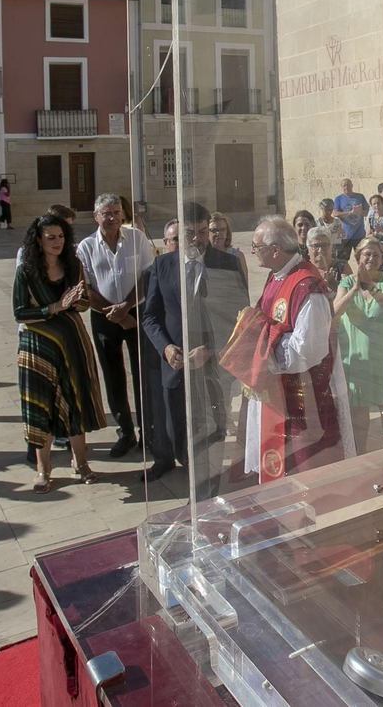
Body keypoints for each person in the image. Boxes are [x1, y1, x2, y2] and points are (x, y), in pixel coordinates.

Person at [229, 216, 354, 482]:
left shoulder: (308, 286)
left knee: (306, 476)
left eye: (256, 246)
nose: (252, 252)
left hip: (303, 399)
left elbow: (306, 350)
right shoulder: (277, 276)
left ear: (275, 250)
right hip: (279, 395)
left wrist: (259, 336)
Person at [140, 205, 247, 490]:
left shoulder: (226, 263)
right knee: (180, 433)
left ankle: (205, 492)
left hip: (212, 368)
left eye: (202, 232)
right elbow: (150, 316)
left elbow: (239, 317)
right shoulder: (162, 266)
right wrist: (165, 348)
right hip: (175, 367)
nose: (198, 239)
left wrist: (210, 351)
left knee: (211, 433)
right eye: (190, 233)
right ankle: (192, 477)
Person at [14, 214, 106, 492]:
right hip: (37, 347)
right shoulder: (26, 271)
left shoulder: (73, 264)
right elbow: (20, 313)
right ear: (38, 240)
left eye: (61, 236)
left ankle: (81, 462)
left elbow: (83, 304)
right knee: (39, 406)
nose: (57, 242)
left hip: (72, 343)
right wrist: (54, 307)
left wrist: (77, 301)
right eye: (50, 237)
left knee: (75, 400)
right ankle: (44, 469)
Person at [77, 193, 154, 458]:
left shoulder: (137, 239)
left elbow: (148, 276)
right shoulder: (86, 247)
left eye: (116, 212)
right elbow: (85, 287)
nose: (112, 218)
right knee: (113, 377)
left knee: (142, 375)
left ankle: (148, 431)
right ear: (96, 216)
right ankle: (125, 432)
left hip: (136, 313)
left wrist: (126, 307)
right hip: (104, 317)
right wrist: (116, 313)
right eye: (106, 213)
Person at [332, 239, 383, 452]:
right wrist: (355, 289)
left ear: (382, 259)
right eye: (367, 254)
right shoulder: (346, 282)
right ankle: (361, 453)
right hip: (356, 355)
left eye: (376, 255)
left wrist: (371, 288)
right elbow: (334, 311)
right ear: (357, 258)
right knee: (359, 408)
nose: (371, 259)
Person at [209, 211, 252, 290]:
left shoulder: (237, 256)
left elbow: (244, 287)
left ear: (227, 232)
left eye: (222, 230)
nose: (218, 234)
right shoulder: (203, 256)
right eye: (214, 230)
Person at [331, 178, 370, 253]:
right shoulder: (338, 199)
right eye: (344, 186)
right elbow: (335, 213)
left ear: (352, 185)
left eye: (348, 185)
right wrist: (350, 213)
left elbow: (367, 212)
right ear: (341, 187)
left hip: (359, 234)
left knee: (361, 256)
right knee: (343, 259)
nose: (346, 187)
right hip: (345, 235)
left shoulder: (360, 197)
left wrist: (360, 211)